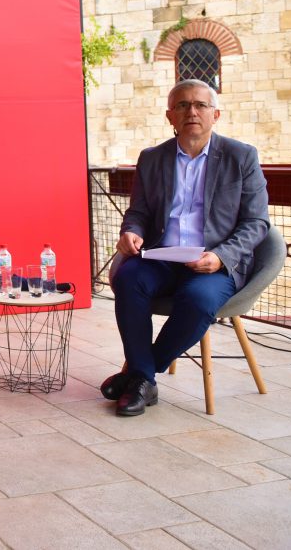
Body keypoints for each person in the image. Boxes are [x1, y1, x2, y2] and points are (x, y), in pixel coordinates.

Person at [103, 80, 269, 417]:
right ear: (170, 116)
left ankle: (140, 375)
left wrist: (220, 256)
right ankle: (143, 377)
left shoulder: (241, 156)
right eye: (182, 105)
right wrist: (131, 231)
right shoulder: (152, 158)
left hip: (214, 261)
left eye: (200, 105)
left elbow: (256, 223)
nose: (191, 111)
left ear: (215, 114)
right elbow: (138, 212)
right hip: (162, 256)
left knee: (198, 299)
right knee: (127, 278)